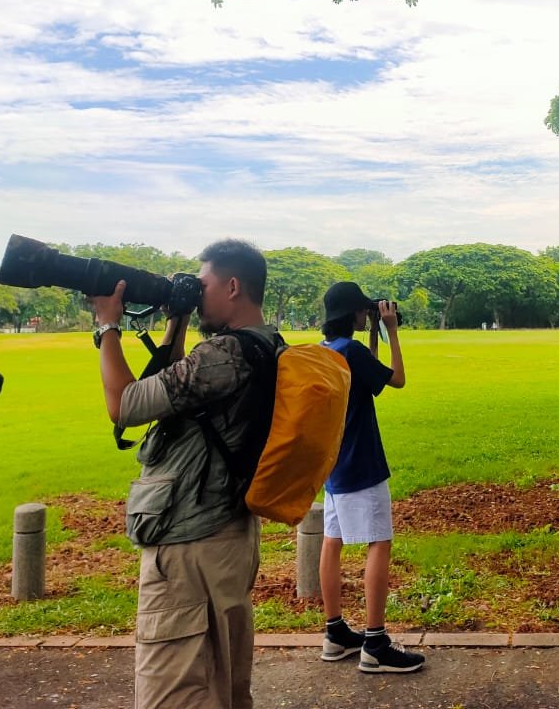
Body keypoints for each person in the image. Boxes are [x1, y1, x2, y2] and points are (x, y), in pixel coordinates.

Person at [91, 239, 274, 709]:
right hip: (229, 533)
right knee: (223, 684)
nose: (198, 293)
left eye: (204, 285)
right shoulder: (263, 345)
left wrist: (107, 325)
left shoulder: (224, 356)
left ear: (232, 286)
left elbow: (125, 406)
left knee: (174, 692)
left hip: (191, 543)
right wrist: (180, 318)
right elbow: (178, 388)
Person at [316, 281, 423, 673]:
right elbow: (395, 379)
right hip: (362, 464)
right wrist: (391, 331)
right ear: (352, 314)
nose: (367, 316)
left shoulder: (327, 351)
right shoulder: (353, 350)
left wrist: (373, 338)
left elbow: (371, 384)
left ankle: (336, 633)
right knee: (379, 542)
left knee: (333, 540)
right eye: (363, 311)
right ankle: (375, 643)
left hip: (333, 465)